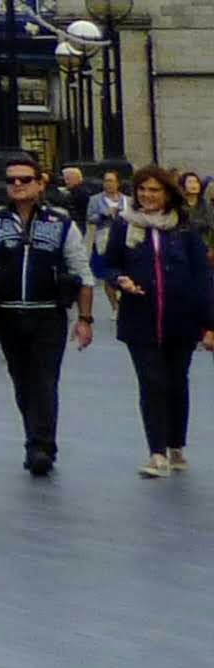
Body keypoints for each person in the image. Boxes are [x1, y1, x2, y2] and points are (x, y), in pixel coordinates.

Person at [0, 153, 100, 476]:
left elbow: (81, 271)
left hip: (48, 313)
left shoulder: (59, 223)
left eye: (24, 179)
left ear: (40, 183)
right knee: (21, 380)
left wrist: (85, 319)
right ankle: (35, 436)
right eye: (11, 180)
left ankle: (41, 446)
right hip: (8, 313)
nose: (17, 184)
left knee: (44, 379)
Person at [93, 166, 214, 476]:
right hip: (140, 319)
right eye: (142, 190)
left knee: (177, 382)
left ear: (168, 194)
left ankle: (176, 446)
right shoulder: (124, 225)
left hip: (181, 319)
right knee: (151, 382)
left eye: (154, 190)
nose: (147, 195)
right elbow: (108, 264)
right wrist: (120, 279)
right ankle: (157, 453)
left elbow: (202, 277)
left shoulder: (184, 230)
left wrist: (209, 324)